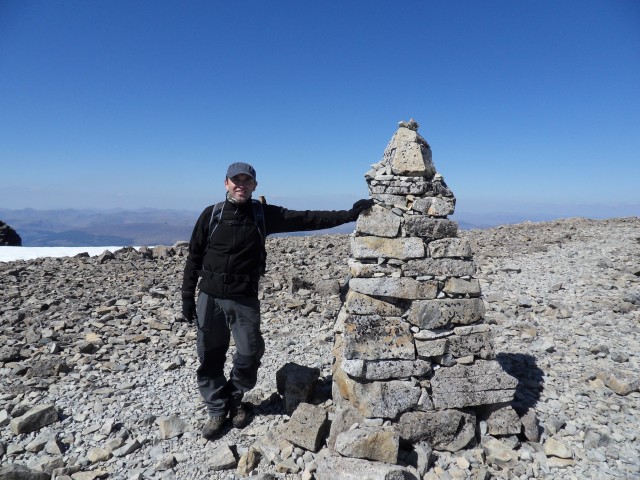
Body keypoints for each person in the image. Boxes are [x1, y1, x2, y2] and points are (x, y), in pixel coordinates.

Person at [181, 162, 373, 439]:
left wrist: (349, 214)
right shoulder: (211, 215)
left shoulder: (263, 215)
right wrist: (188, 297)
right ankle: (216, 410)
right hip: (209, 298)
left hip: (244, 298)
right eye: (236, 180)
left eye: (247, 181)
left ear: (254, 186)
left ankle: (235, 400)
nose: (241, 185)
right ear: (226, 183)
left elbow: (307, 218)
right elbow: (194, 257)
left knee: (249, 354)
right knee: (210, 356)